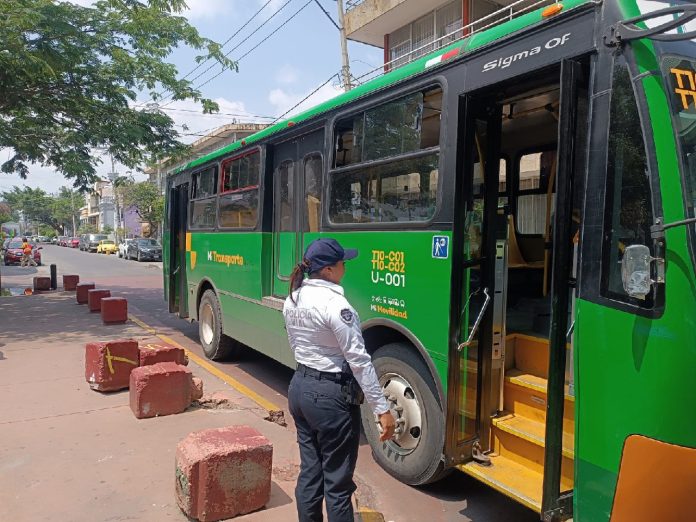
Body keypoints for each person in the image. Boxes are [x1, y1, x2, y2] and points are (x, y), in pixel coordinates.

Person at [283, 238, 396, 522]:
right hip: (330, 398)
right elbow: (359, 361)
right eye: (343, 262)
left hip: (300, 388)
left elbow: (296, 345)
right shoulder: (336, 305)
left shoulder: (293, 298)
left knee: (311, 472)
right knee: (338, 484)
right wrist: (381, 409)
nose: (346, 266)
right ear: (330, 270)